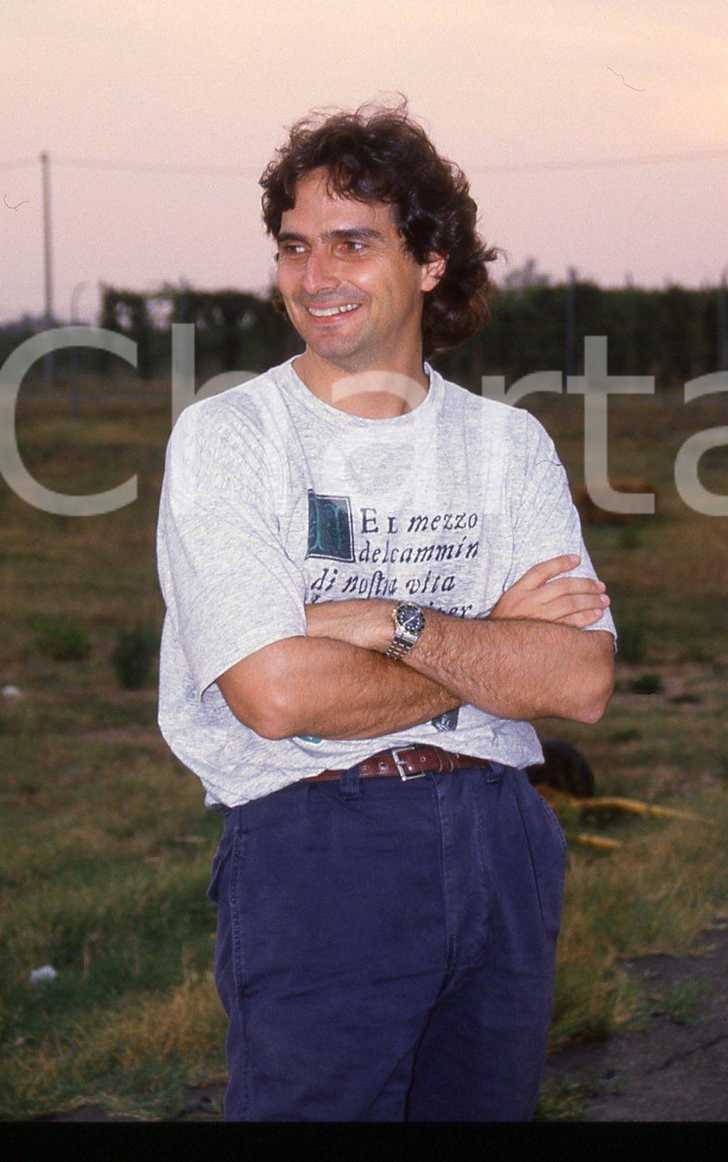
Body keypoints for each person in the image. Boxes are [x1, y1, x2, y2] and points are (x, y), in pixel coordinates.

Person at [156, 99, 616, 1122]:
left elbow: (578, 680)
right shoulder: (230, 438)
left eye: (352, 242)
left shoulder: (507, 444)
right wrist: (494, 636)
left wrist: (387, 620)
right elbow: (274, 694)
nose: (314, 277)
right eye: (294, 246)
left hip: (503, 840)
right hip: (317, 841)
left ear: (432, 257)